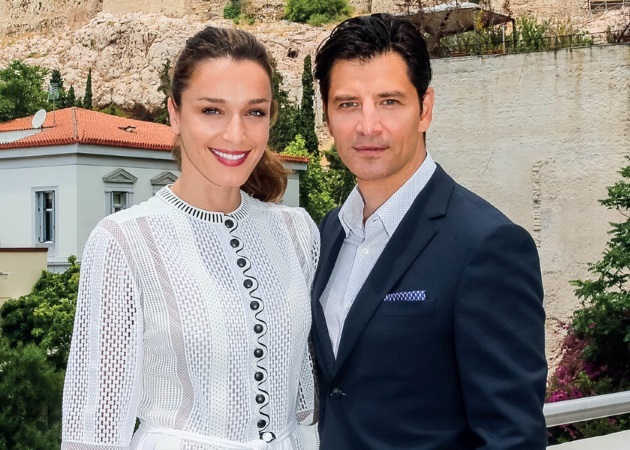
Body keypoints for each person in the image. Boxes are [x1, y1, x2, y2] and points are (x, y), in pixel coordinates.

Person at [62, 26, 319, 450]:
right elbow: (94, 431)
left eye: (254, 112)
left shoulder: (297, 232)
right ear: (175, 113)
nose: (236, 134)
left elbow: (305, 400)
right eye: (212, 110)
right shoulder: (124, 241)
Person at [311, 14, 547, 449]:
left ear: (425, 109)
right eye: (347, 104)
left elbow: (512, 436)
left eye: (389, 101)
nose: (368, 126)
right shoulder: (328, 233)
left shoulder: (487, 244)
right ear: (326, 116)